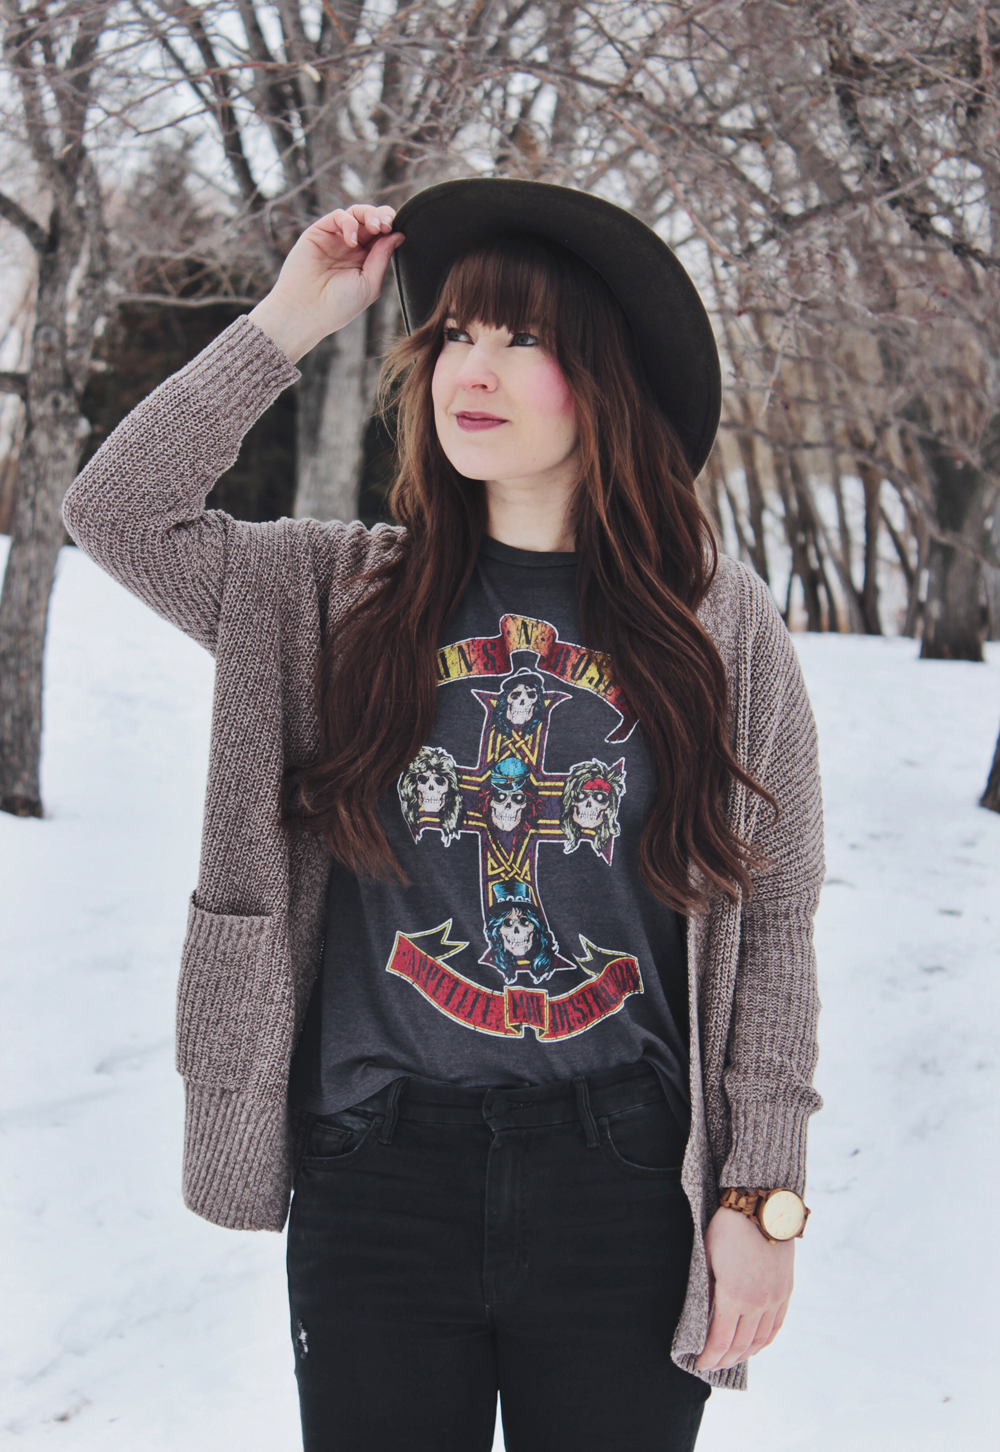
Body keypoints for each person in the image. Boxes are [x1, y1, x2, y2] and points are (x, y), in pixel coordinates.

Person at [62, 179, 824, 1452]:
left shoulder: (712, 620)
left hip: (625, 1180)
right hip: (378, 1172)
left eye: (524, 339)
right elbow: (115, 511)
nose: (472, 367)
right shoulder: (329, 596)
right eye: (456, 333)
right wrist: (289, 320)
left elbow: (777, 920)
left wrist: (762, 1193)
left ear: (607, 380)